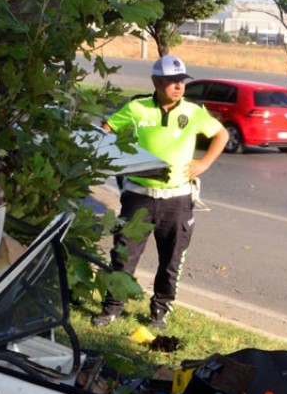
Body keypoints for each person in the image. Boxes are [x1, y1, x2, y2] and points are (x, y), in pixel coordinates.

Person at [93, 54, 230, 331]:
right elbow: (106, 130)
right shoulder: (136, 108)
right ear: (156, 82)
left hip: (176, 200)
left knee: (171, 260)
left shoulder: (192, 112)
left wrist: (203, 163)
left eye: (182, 81)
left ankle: (160, 311)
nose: (179, 86)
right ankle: (113, 308)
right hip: (139, 196)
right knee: (123, 256)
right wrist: (119, 158)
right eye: (172, 81)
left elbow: (221, 135)